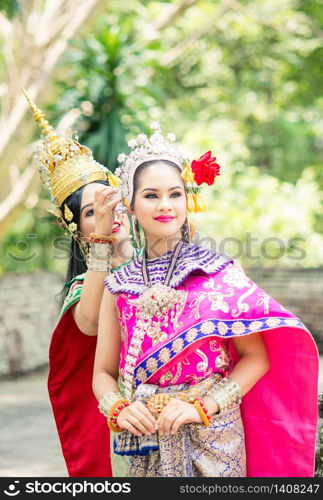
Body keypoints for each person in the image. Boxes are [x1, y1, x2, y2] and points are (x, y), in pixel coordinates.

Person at [93, 122, 318, 477]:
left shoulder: (219, 273)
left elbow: (255, 358)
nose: (165, 205)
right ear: (131, 206)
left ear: (188, 200)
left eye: (175, 194)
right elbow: (102, 373)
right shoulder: (117, 285)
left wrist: (204, 407)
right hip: (145, 442)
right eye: (151, 195)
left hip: (215, 438)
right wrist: (118, 407)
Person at [23, 89, 134, 477]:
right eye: (91, 211)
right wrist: (104, 242)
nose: (107, 212)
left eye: (108, 199)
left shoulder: (161, 264)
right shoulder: (85, 287)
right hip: (126, 424)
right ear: (78, 229)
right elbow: (88, 324)